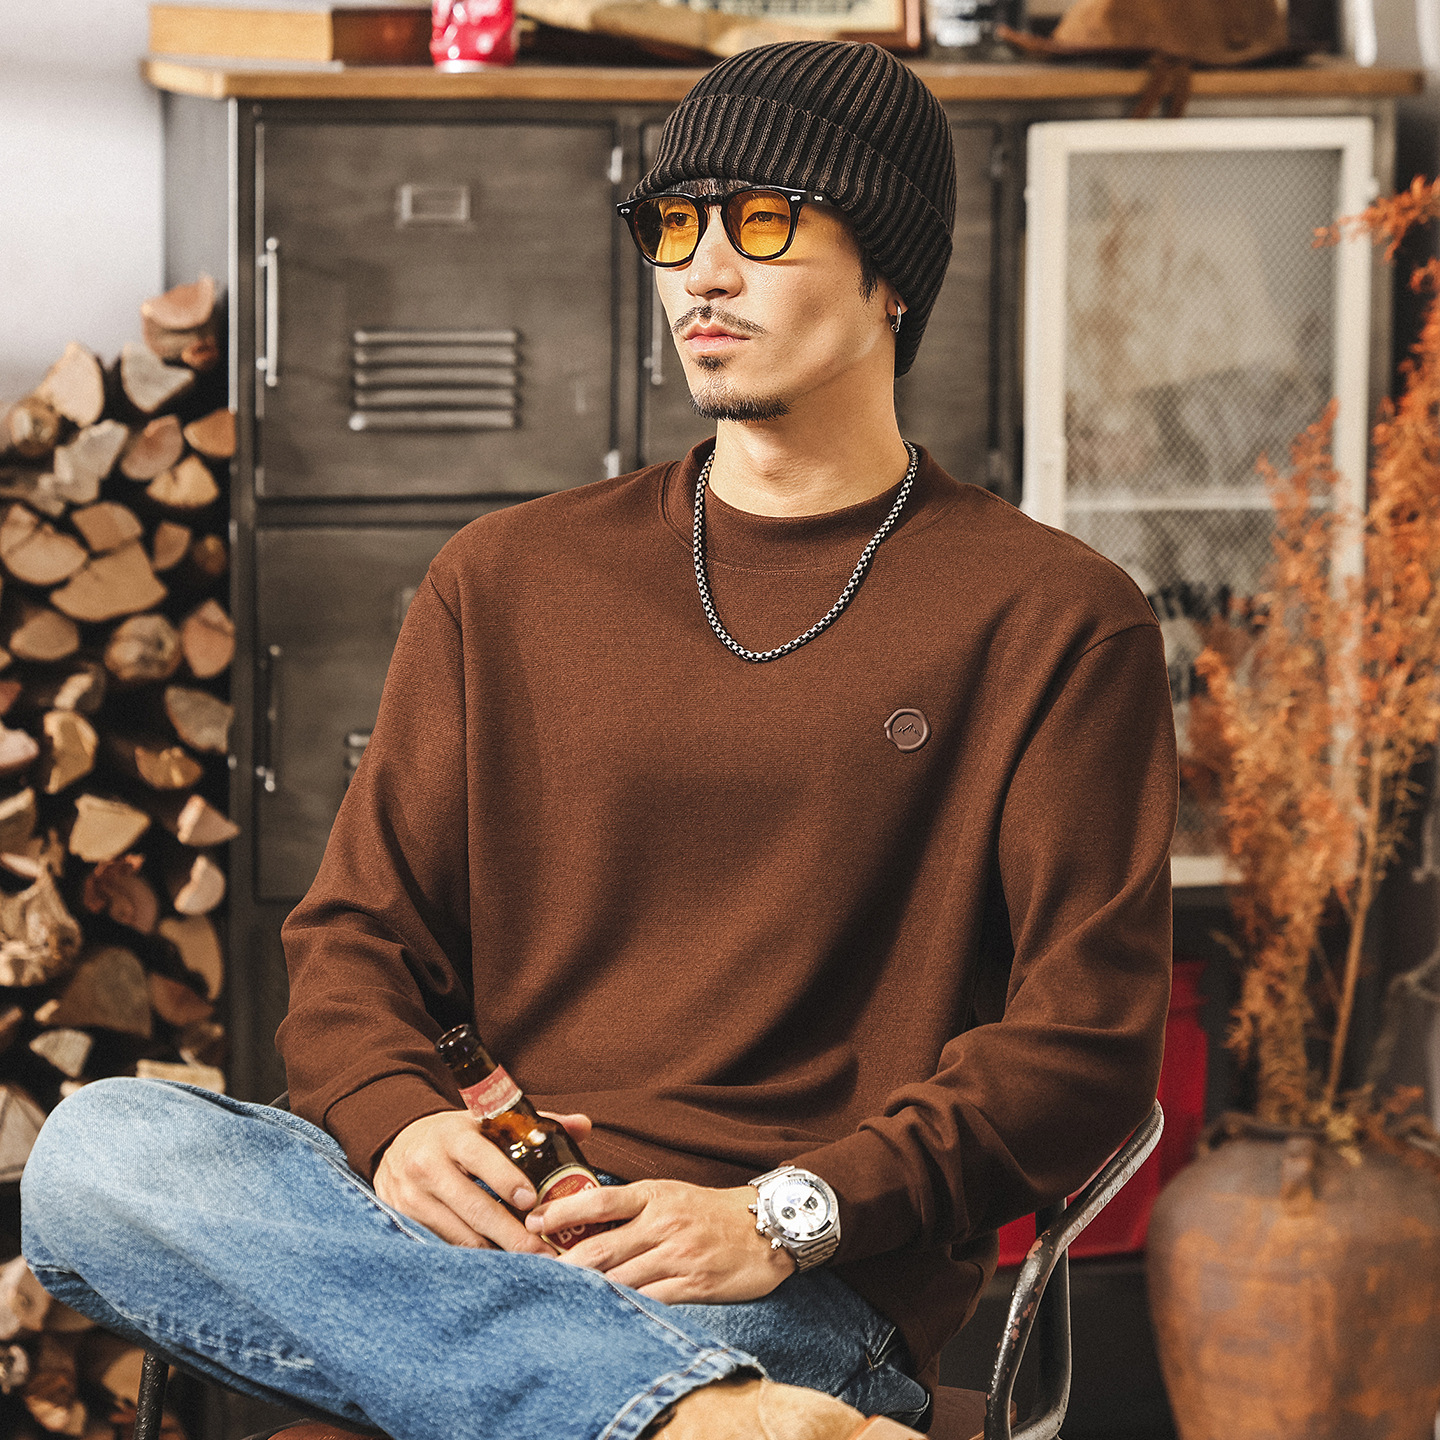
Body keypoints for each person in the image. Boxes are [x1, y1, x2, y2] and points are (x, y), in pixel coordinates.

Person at [19, 39, 1177, 1440]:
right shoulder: (507, 577)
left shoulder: (1058, 620)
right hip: (488, 1220)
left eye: (762, 223)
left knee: (571, 1341)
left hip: (774, 1279)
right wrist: (399, 1123)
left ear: (893, 276)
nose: (703, 273)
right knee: (102, 1152)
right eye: (673, 225)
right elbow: (355, 935)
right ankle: (707, 1424)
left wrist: (786, 1215)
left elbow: (1082, 1045)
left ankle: (649, 1389)